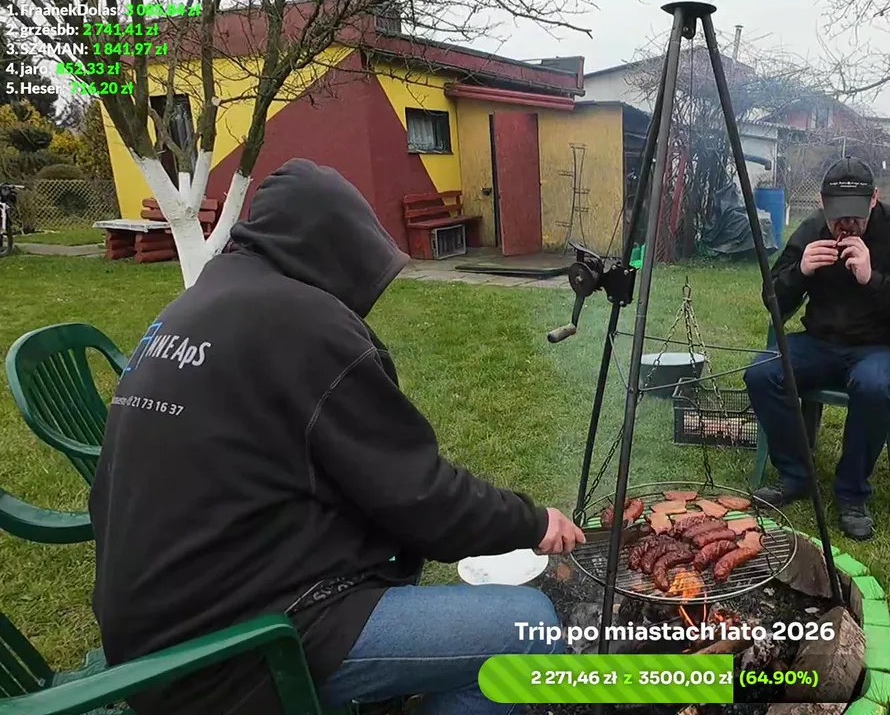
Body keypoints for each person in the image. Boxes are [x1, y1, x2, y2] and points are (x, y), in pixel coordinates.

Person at [89, 158, 584, 715]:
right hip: (232, 654)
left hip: (150, 637)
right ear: (336, 248)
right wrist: (533, 522)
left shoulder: (192, 308)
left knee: (397, 559)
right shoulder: (304, 325)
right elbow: (419, 497)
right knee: (526, 632)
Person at [744, 157, 890, 541]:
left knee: (875, 386)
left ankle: (852, 493)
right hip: (820, 343)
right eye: (838, 215)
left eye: (855, 215)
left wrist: (874, 279)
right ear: (822, 203)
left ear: (874, 199)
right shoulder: (812, 231)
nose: (846, 225)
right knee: (762, 373)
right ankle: (796, 474)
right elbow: (773, 300)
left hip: (881, 346)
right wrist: (800, 272)